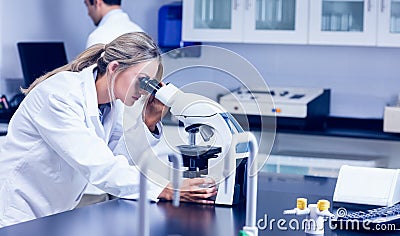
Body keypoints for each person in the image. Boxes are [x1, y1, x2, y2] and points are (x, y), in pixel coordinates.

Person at [0, 32, 217, 228]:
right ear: (114, 68)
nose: (144, 90)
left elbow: (123, 157)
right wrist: (167, 189)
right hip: (18, 211)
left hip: (54, 213)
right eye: (142, 81)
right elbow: (100, 165)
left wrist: (149, 123)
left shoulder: (111, 104)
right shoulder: (60, 96)